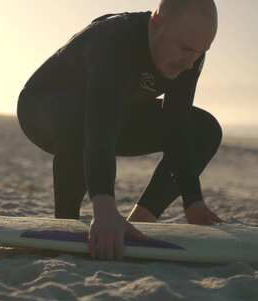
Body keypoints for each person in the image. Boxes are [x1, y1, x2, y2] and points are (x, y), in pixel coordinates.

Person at [16, 0, 223, 261]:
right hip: (43, 109)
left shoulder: (189, 57)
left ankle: (143, 219)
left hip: (114, 114)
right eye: (184, 49)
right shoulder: (115, 38)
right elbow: (99, 124)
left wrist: (193, 200)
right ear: (157, 23)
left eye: (199, 53)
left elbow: (176, 125)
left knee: (204, 130)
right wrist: (103, 207)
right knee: (83, 119)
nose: (189, 63)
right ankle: (65, 224)